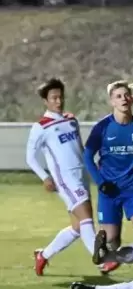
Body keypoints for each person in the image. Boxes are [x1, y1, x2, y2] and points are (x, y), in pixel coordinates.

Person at [26, 78, 98, 275]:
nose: (58, 101)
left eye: (60, 97)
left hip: (81, 176)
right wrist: (44, 177)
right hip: (65, 179)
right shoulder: (41, 126)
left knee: (77, 226)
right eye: (54, 98)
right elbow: (30, 157)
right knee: (86, 216)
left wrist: (91, 168)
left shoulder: (71, 120)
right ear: (46, 101)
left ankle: (43, 255)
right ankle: (101, 260)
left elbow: (79, 149)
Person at [83, 80, 133, 277]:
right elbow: (87, 157)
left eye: (126, 95)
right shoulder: (102, 128)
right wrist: (100, 182)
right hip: (110, 190)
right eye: (118, 96)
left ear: (132, 99)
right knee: (114, 239)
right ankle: (106, 251)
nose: (123, 99)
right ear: (112, 102)